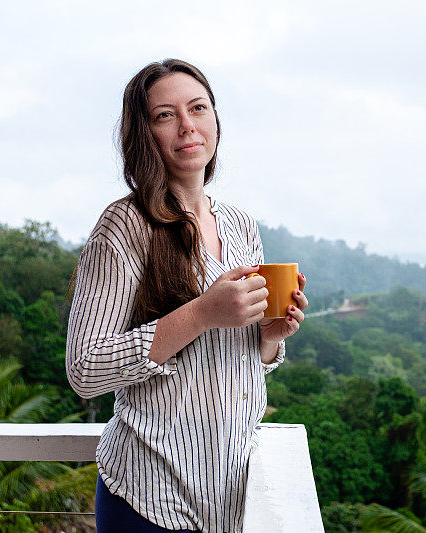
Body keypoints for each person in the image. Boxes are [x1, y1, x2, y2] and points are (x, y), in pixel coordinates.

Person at [65, 58, 307, 533]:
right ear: (144, 133)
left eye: (198, 108)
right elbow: (84, 369)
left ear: (216, 119)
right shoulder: (124, 226)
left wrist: (270, 338)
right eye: (165, 115)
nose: (187, 125)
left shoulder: (240, 226)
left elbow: (239, 361)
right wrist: (202, 313)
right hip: (148, 495)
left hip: (230, 495)